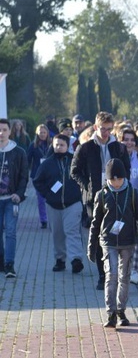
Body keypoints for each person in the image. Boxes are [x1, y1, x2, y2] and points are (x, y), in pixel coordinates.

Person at [71, 111, 131, 290]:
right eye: (103, 129)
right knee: (98, 236)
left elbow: (126, 169)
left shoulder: (118, 148)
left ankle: (117, 272)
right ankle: (102, 275)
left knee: (117, 233)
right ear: (96, 127)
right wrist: (88, 187)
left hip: (117, 196)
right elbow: (74, 170)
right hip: (94, 199)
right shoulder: (86, 147)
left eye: (109, 129)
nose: (106, 133)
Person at [89, 159, 138, 329]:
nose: (115, 183)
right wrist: (91, 247)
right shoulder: (101, 194)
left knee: (125, 276)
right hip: (108, 241)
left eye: (119, 179)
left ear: (124, 177)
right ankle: (110, 312)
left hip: (128, 241)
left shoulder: (132, 193)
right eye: (112, 180)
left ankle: (121, 310)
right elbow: (95, 222)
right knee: (111, 274)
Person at [33, 134, 85, 273]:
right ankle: (60, 260)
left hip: (72, 203)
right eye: (56, 144)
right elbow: (37, 181)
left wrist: (81, 193)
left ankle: (76, 259)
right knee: (57, 234)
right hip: (53, 204)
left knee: (72, 231)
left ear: (67, 146)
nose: (58, 147)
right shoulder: (47, 163)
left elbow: (84, 177)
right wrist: (47, 194)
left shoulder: (75, 161)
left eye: (62, 145)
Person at [119, 128, 138, 284]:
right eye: (126, 139)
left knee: (136, 236)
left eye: (132, 140)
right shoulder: (116, 159)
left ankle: (135, 269)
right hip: (119, 204)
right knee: (120, 236)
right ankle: (122, 267)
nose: (129, 143)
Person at [0, 119, 29, 278]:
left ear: (9, 131)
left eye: (4, 130)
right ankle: (1, 262)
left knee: (10, 232)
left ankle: (9, 264)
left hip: (11, 199)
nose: (1, 133)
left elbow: (24, 176)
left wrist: (19, 193)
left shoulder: (18, 152)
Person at [28, 124, 52, 229]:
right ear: (37, 134)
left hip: (50, 175)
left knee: (51, 197)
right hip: (37, 176)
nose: (42, 134)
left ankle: (52, 218)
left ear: (47, 133)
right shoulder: (33, 145)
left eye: (44, 132)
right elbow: (28, 160)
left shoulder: (51, 145)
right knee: (40, 199)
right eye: (40, 132)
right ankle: (43, 220)